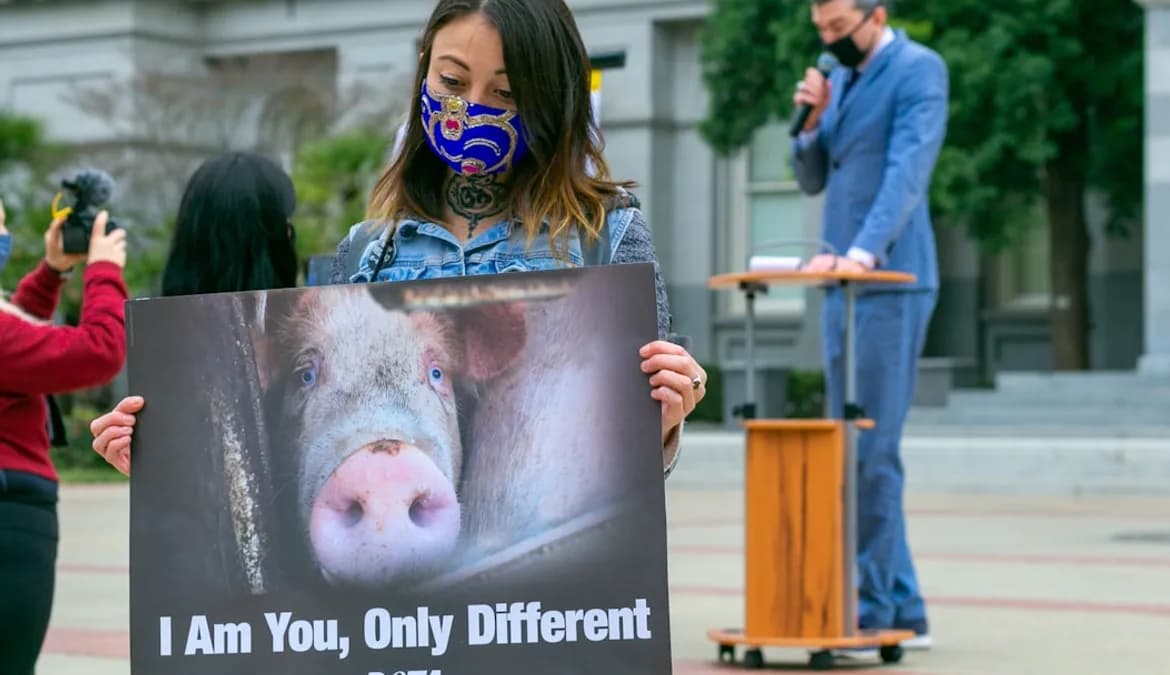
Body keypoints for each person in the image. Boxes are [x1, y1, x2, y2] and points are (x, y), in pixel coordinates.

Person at [326, 0, 706, 475]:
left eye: (505, 92)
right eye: (452, 81)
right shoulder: (365, 252)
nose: (471, 108)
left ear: (551, 99)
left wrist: (663, 423)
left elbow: (631, 474)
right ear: (424, 71)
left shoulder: (608, 236)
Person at [789, 0, 948, 652]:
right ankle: (905, 605)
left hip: (889, 281)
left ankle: (874, 610)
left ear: (875, 14)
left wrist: (861, 253)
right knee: (852, 448)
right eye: (821, 30)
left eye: (838, 28)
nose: (829, 40)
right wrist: (809, 125)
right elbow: (811, 178)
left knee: (871, 450)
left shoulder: (918, 69)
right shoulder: (842, 79)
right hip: (842, 287)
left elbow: (908, 171)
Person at [88, 151, 300, 475]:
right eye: (285, 225)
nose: (290, 236)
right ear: (269, 239)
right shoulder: (305, 332)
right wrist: (137, 454)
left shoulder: (164, 338)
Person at [0, 197, 129, 675]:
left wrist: (52, 273)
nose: (5, 235)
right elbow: (99, 350)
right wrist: (104, 271)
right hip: (10, 516)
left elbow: (19, 344)